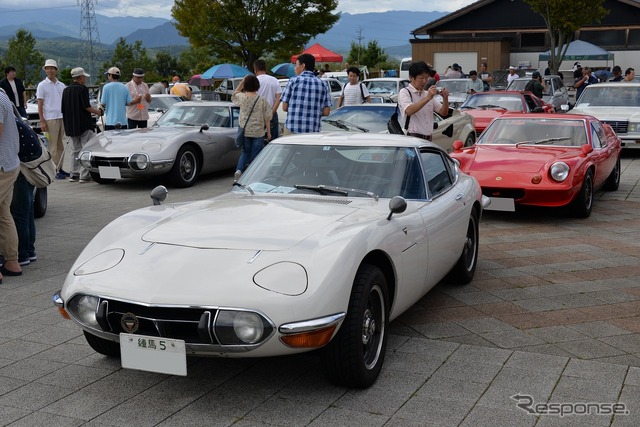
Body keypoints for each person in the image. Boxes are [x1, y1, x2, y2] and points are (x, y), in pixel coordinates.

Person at [62, 67, 104, 183]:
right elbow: (86, 107)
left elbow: (63, 109)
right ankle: (84, 175)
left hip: (70, 125)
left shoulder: (66, 90)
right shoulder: (82, 89)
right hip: (84, 124)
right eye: (84, 77)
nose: (85, 79)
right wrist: (98, 112)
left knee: (75, 149)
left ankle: (73, 174)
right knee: (87, 148)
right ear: (80, 77)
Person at [0, 88, 22, 280]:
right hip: (9, 164)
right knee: (3, 215)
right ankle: (11, 262)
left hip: (1, 166)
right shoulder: (2, 94)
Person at [232, 75, 271, 180]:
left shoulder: (242, 98)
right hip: (258, 132)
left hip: (245, 131)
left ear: (246, 85)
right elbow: (267, 117)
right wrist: (269, 132)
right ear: (257, 85)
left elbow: (235, 93)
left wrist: (242, 82)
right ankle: (253, 176)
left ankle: (239, 170)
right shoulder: (262, 100)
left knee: (245, 152)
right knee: (256, 154)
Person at [397, 61, 449, 141]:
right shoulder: (405, 92)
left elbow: (443, 112)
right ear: (411, 77)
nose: (424, 81)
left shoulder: (427, 94)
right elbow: (409, 110)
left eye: (426, 78)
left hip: (428, 139)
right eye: (421, 78)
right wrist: (428, 98)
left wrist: (445, 98)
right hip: (412, 139)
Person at [281, 53, 332, 134]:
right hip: (313, 131)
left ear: (303, 66)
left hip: (292, 129)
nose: (294, 68)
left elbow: (284, 107)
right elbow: (326, 112)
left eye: (296, 65)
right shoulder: (323, 84)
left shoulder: (292, 81)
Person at [36, 59, 68, 179]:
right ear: (45, 70)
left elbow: (65, 102)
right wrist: (42, 120)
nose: (50, 70)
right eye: (47, 68)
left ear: (56, 70)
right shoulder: (42, 85)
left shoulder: (61, 85)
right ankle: (54, 169)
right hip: (50, 118)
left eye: (52, 68)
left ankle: (60, 167)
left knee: (60, 144)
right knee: (52, 145)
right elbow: (40, 103)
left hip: (61, 117)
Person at [253, 59, 282, 141]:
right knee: (273, 141)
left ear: (255, 69)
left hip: (257, 113)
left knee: (258, 140)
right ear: (265, 69)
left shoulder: (254, 81)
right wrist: (272, 111)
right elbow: (278, 98)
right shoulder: (274, 80)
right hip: (271, 111)